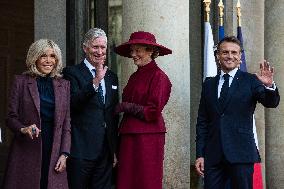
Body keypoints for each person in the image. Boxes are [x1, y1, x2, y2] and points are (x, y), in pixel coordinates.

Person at [195, 36, 280, 189]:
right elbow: (202, 122)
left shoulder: (251, 80)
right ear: (218, 56)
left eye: (234, 52)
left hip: (241, 153)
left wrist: (269, 86)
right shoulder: (209, 84)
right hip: (213, 155)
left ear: (240, 56)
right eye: (225, 52)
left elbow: (271, 102)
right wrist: (200, 154)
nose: (230, 56)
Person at [3, 39, 71, 189]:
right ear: (35, 58)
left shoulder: (64, 85)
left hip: (54, 149)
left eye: (52, 56)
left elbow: (67, 123)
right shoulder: (20, 82)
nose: (48, 61)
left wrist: (64, 154)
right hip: (27, 148)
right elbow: (10, 117)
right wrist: (23, 128)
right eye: (43, 56)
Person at [114, 31, 172, 189]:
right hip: (128, 136)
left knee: (146, 181)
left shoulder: (159, 77)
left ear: (150, 51)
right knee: (126, 182)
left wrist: (126, 106)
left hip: (148, 138)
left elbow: (152, 112)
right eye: (132, 50)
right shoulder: (134, 76)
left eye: (138, 50)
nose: (133, 54)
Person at [63, 28, 119, 189]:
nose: (100, 51)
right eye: (95, 47)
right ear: (85, 48)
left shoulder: (111, 76)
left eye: (103, 47)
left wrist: (114, 149)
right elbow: (72, 104)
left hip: (105, 152)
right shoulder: (71, 73)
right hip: (81, 150)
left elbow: (112, 116)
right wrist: (95, 82)